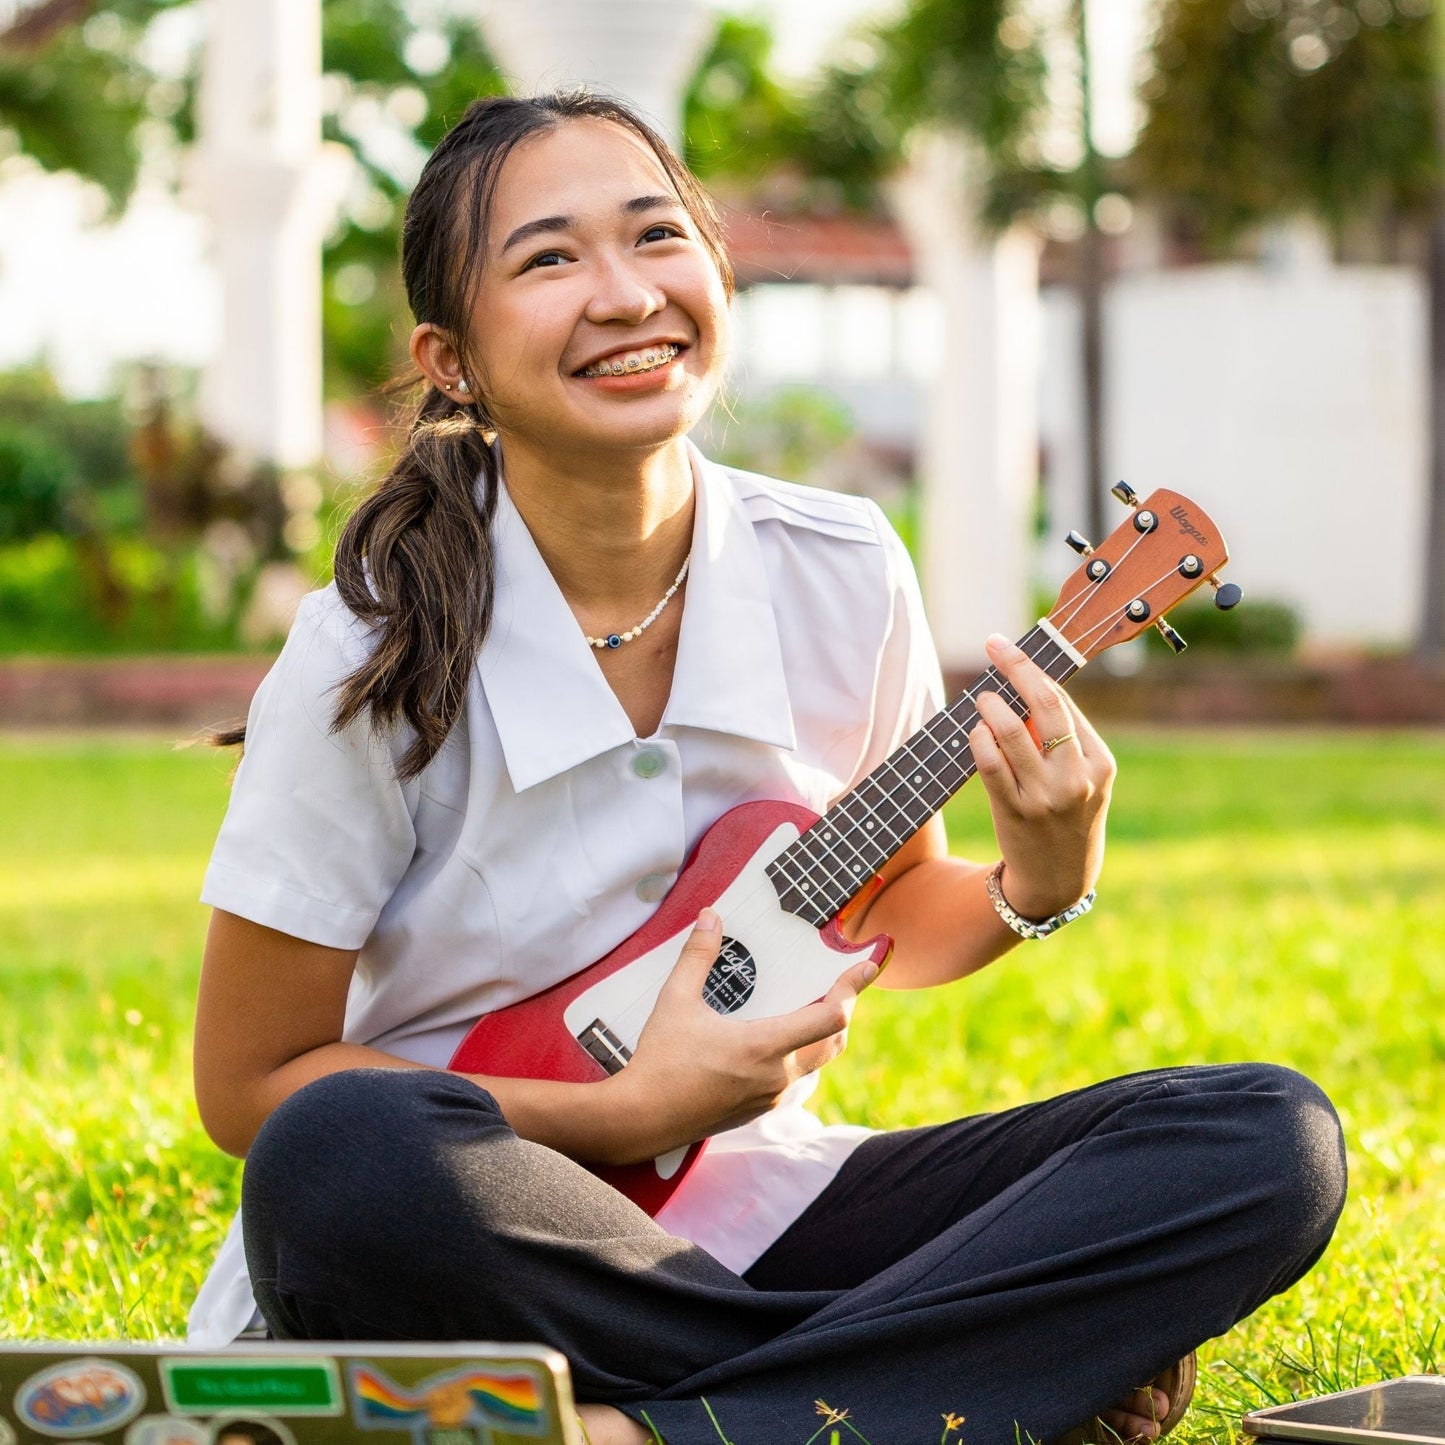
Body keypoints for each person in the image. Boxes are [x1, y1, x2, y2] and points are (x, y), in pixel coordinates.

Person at [190, 91, 1347, 1445]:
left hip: (759, 1210)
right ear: (449, 359)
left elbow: (889, 908)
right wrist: (628, 1105)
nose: (625, 295)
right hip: (484, 1226)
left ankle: (659, 1426)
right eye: (550, 259)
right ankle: (923, 1382)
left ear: (715, 275)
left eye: (655, 237)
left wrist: (1038, 879)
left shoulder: (840, 563)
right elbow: (251, 1087)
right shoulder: (367, 652)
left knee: (1265, 1138)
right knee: (333, 1160)